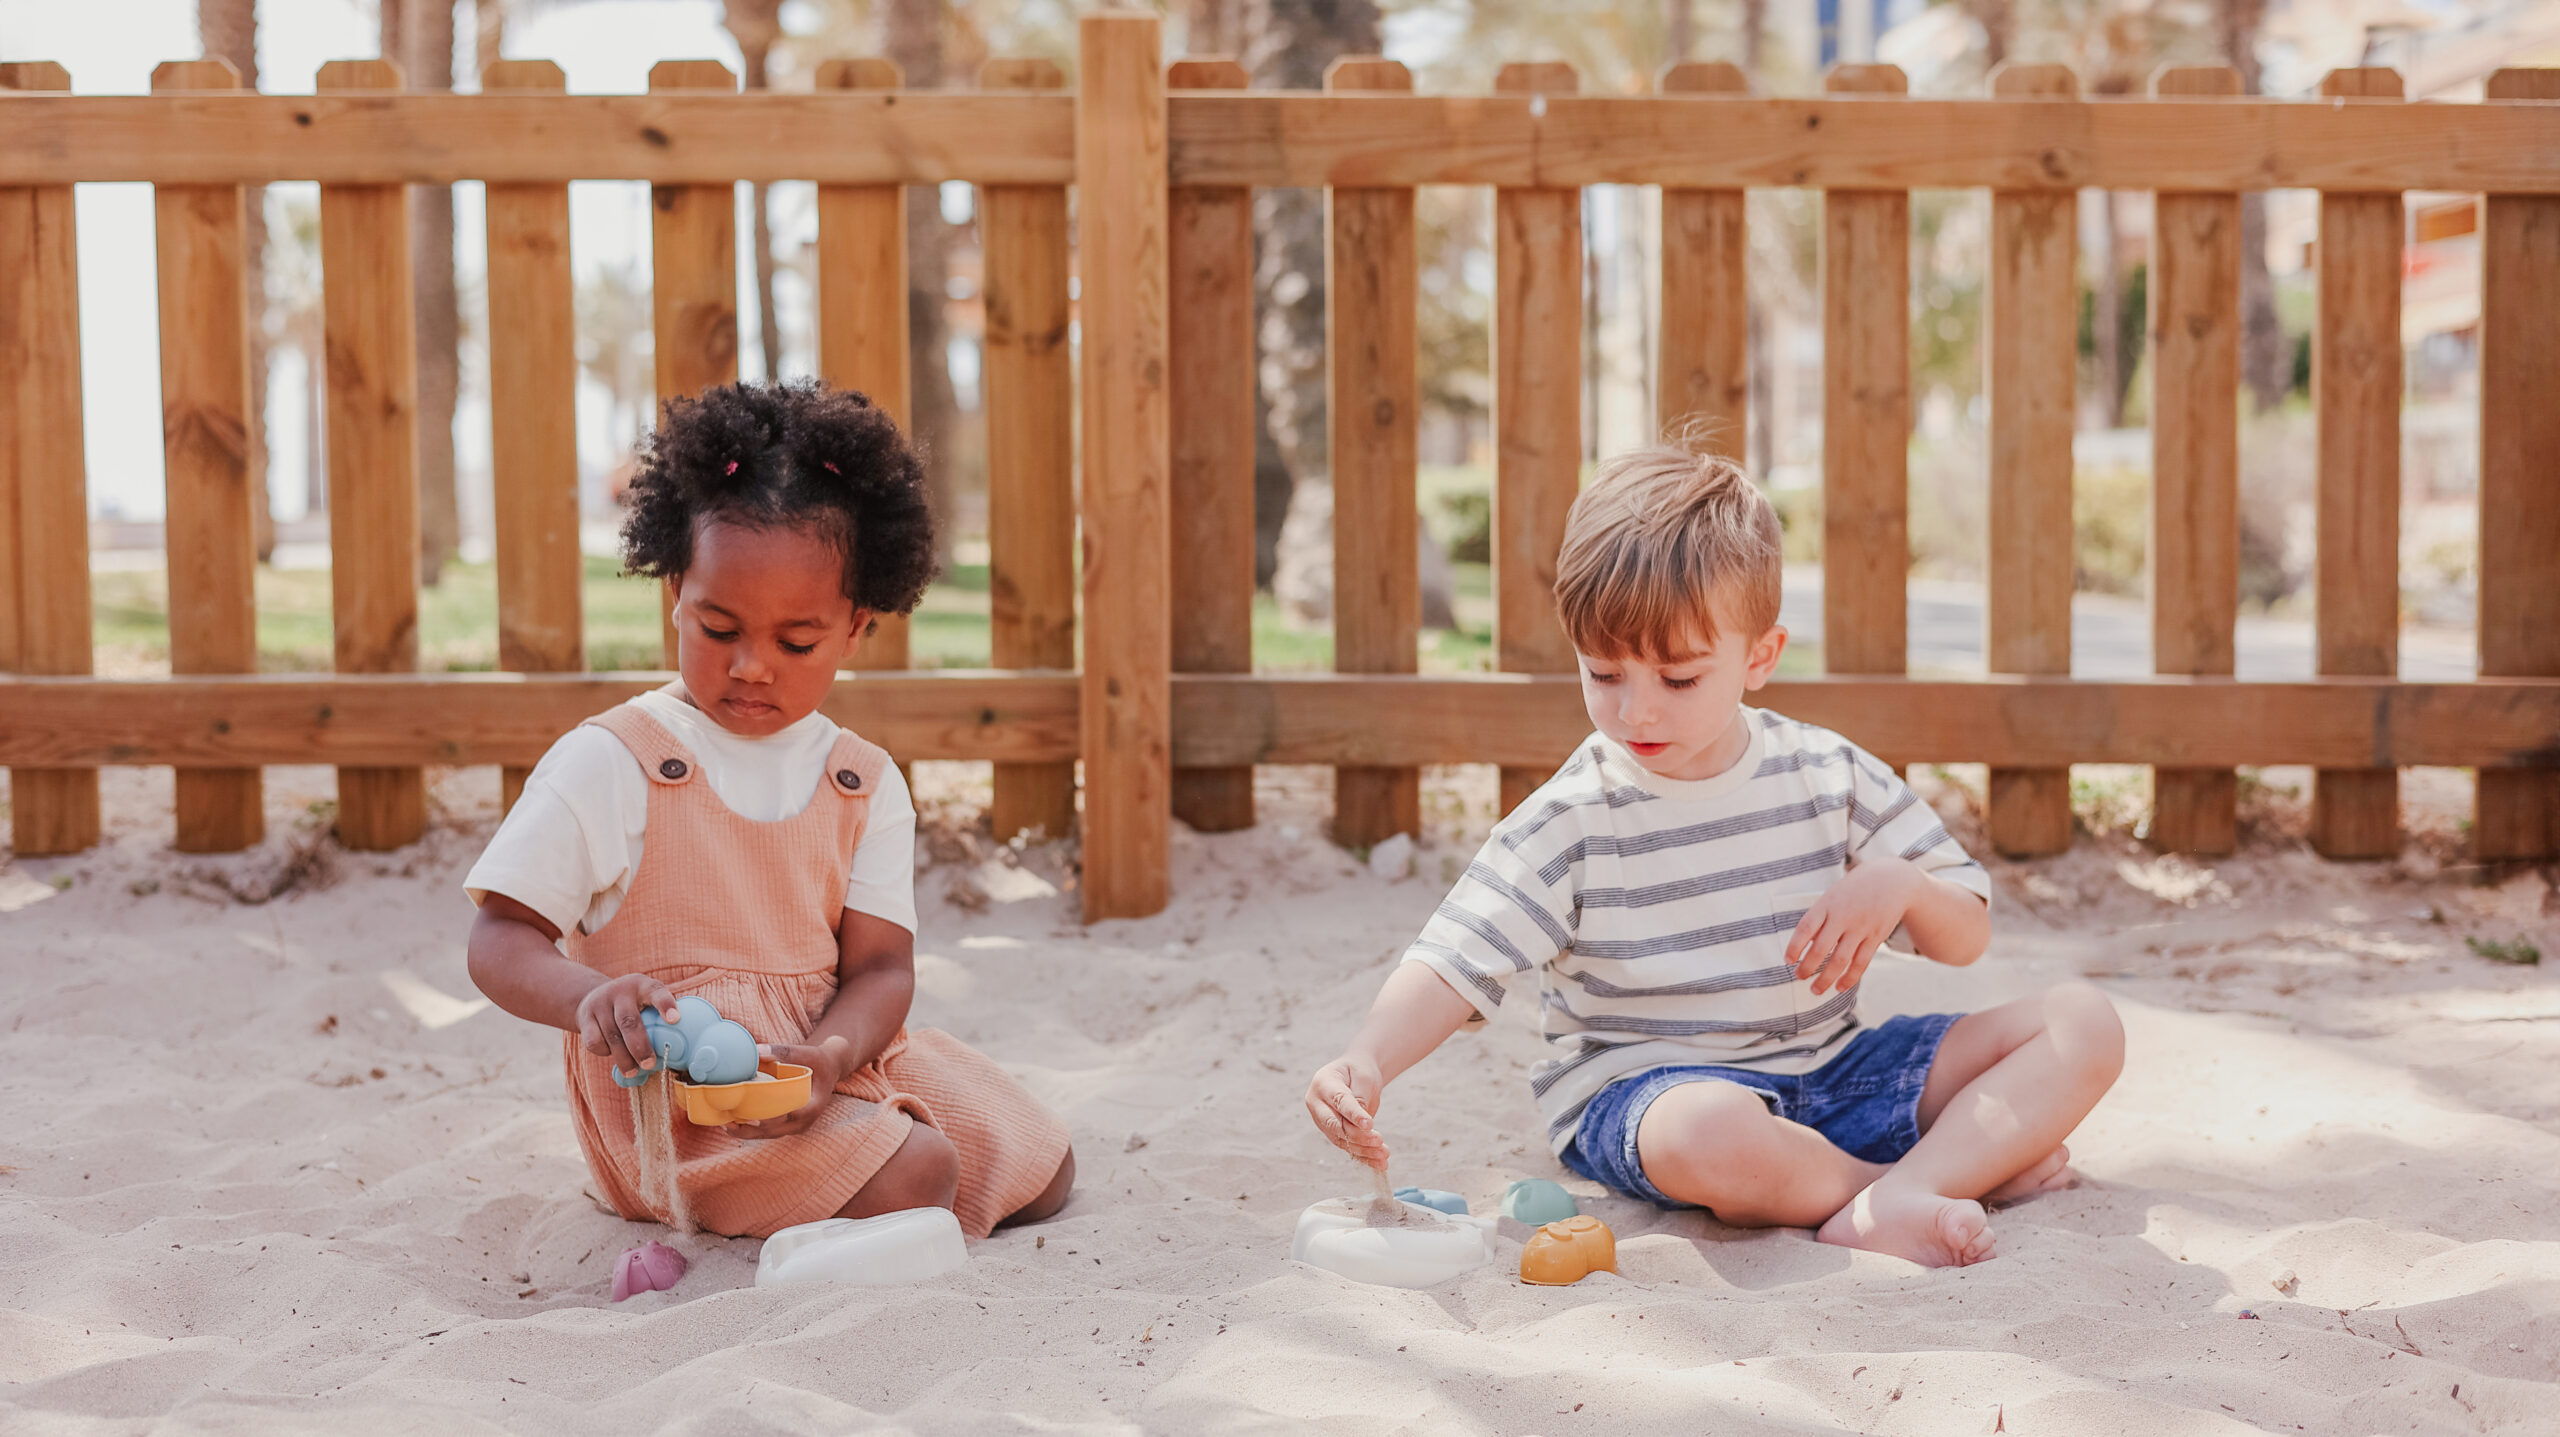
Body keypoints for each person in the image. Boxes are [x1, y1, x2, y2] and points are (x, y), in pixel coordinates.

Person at [1302, 447, 2122, 1267]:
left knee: (2083, 1023)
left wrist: (1900, 884)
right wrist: (1366, 1057)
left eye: (1680, 678)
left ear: (1760, 657)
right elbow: (1454, 959)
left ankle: (1899, 1190)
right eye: (1603, 671)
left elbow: (1965, 938)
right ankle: (1910, 1183)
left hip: (1833, 1075)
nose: (1635, 708)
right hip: (1654, 1096)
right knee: (1712, 1132)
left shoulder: (1826, 774)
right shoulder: (1572, 817)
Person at [465, 380, 1073, 1241]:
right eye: (720, 628)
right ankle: (846, 1194)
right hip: (684, 1107)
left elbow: (879, 972)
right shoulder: (616, 759)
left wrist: (830, 1054)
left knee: (1043, 1168)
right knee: (925, 1170)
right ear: (676, 587)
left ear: (856, 627)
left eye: (797, 642)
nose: (753, 666)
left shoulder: (860, 781)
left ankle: (863, 1159)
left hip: (822, 1062)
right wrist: (589, 998)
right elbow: (499, 936)